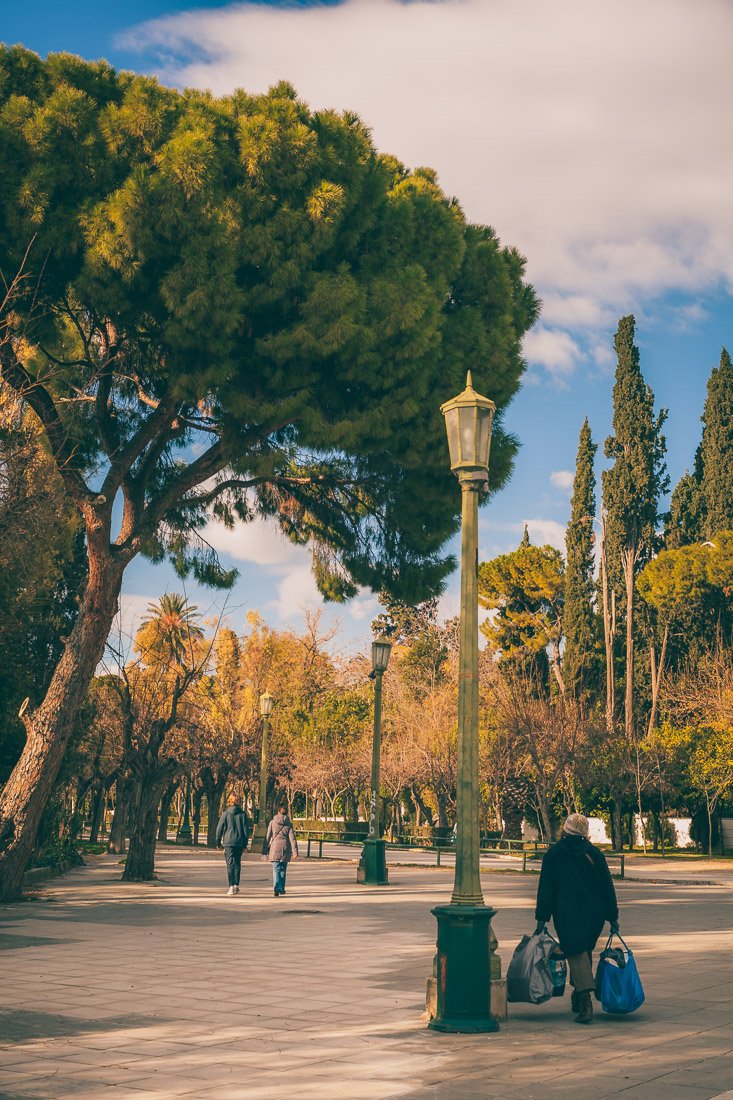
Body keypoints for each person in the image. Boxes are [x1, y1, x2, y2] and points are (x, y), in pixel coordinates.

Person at [534, 813, 619, 1025]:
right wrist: (612, 916)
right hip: (594, 914)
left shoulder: (554, 854)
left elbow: (546, 889)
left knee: (576, 951)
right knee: (582, 950)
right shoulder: (593, 853)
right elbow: (606, 886)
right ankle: (577, 995)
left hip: (566, 913)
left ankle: (585, 1002)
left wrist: (542, 918)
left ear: (566, 828)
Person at [216, 794, 249, 896]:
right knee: (237, 863)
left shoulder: (225, 814)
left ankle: (231, 886)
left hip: (228, 842)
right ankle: (236, 885)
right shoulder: (243, 814)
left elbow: (219, 829)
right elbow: (245, 831)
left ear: (229, 801)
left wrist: (218, 843)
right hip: (239, 842)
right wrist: (245, 844)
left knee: (230, 864)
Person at [265, 804, 298, 897]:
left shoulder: (272, 822)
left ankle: (277, 888)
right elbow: (292, 839)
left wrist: (264, 850)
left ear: (278, 811)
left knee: (276, 869)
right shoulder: (289, 824)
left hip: (275, 848)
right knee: (283, 869)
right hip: (285, 849)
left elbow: (268, 837)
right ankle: (282, 888)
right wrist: (295, 851)